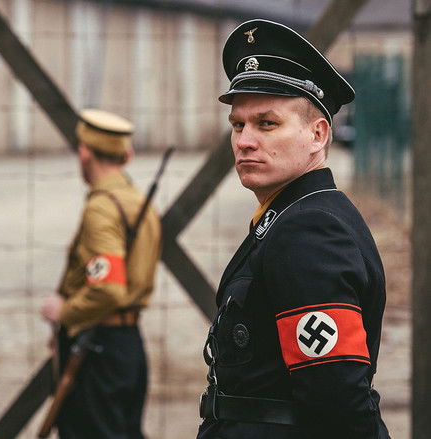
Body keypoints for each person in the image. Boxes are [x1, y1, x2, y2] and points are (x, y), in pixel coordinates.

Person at [196, 19, 390, 438]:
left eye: (267, 124)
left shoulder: (309, 230)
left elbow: (338, 402)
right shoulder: (288, 216)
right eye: (238, 125)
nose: (245, 140)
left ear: (317, 135)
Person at [40, 109, 161, 438]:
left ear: (84, 153)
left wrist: (65, 312)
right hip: (128, 345)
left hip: (98, 348)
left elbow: (108, 288)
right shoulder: (138, 202)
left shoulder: (102, 208)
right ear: (127, 156)